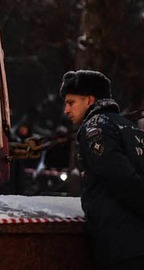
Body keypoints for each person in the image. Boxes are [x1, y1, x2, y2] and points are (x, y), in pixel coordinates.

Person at [60, 70, 144, 270]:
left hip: (121, 244)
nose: (66, 110)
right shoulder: (129, 127)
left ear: (89, 100)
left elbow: (120, 178)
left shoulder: (94, 128)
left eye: (71, 102)